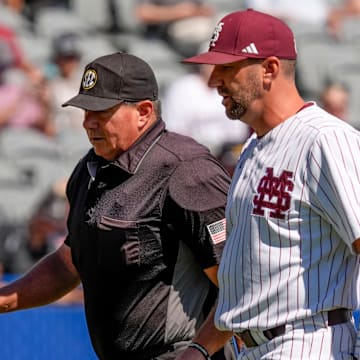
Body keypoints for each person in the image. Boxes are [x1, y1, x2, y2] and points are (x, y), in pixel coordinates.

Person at [0, 51, 236, 360]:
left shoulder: (186, 170)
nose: (87, 122)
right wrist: (5, 299)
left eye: (102, 111)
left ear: (143, 111)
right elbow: (68, 263)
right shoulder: (89, 168)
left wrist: (200, 350)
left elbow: (239, 282)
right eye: (85, 110)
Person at [183, 8, 360, 359]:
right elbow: (244, 286)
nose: (213, 79)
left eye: (227, 67)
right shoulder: (251, 149)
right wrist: (198, 350)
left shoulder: (326, 140)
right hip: (254, 348)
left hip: (310, 342)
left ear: (270, 69)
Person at [162, 62, 251, 156]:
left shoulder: (231, 87)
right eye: (210, 64)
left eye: (220, 65)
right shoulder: (182, 88)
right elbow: (174, 130)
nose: (214, 69)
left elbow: (238, 133)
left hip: (227, 154)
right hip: (189, 153)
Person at [135, 0, 217, 57]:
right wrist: (178, 12)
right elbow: (143, 13)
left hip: (197, 23)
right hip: (168, 30)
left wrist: (196, 11)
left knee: (222, 25)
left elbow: (208, 10)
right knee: (205, 32)